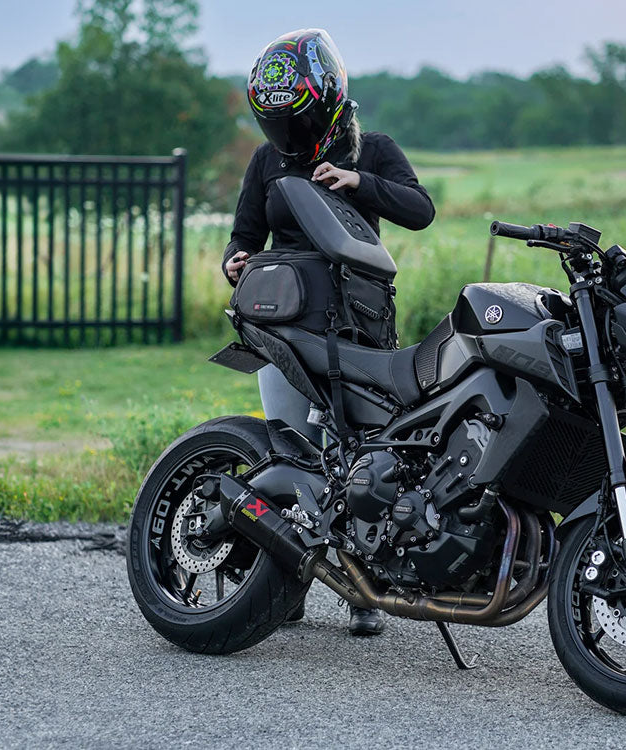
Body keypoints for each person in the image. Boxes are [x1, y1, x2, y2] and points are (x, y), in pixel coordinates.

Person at [222, 29, 435, 636]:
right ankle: (283, 590)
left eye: (298, 121)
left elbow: (420, 210)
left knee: (357, 455)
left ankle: (362, 593)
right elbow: (244, 236)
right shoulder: (265, 162)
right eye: (276, 125)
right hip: (286, 326)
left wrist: (358, 183)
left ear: (330, 100)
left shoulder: (375, 150)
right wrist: (233, 263)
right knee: (287, 450)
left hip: (356, 328)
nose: (287, 136)